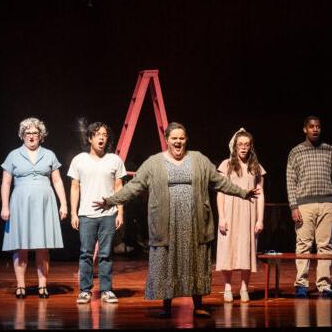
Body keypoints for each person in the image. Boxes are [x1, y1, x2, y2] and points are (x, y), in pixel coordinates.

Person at [93, 122, 259, 318]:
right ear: (167, 140)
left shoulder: (198, 159)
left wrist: (242, 193)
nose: (178, 142)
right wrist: (111, 201)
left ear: (186, 139)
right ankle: (166, 306)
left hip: (194, 221)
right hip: (166, 222)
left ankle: (197, 305)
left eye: (181, 138)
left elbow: (219, 181)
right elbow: (134, 187)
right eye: (174, 138)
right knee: (167, 262)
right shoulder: (154, 162)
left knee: (196, 260)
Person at [0, 117, 68, 299]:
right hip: (20, 204)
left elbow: (57, 180)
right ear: (22, 135)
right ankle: (21, 285)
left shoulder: (49, 155)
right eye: (27, 133)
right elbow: (6, 183)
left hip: (44, 204)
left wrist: (64, 203)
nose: (31, 136)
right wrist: (5, 206)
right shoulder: (13, 155)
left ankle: (42, 285)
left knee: (42, 246)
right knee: (20, 245)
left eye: (35, 133)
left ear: (41, 135)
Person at [286, 116, 332, 299]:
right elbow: (290, 181)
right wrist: (293, 206)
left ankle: (325, 284)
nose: (315, 129)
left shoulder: (330, 150)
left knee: (325, 245)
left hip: (327, 203)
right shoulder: (296, 152)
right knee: (303, 245)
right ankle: (301, 284)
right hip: (304, 204)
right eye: (311, 126)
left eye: (318, 126)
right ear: (305, 129)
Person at [68, 122, 125, 304]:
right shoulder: (79, 159)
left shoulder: (114, 160)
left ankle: (106, 290)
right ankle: (85, 290)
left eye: (104, 134)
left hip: (109, 214)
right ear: (90, 138)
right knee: (85, 253)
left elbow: (119, 187)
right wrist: (73, 213)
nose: (101, 137)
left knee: (106, 254)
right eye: (97, 134)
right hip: (86, 214)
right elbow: (74, 187)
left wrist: (120, 212)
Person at [215, 128, 265, 303]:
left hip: (248, 213)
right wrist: (221, 217)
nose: (243, 148)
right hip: (230, 211)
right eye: (240, 144)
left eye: (246, 144)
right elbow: (220, 192)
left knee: (246, 249)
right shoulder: (225, 165)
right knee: (227, 249)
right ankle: (227, 287)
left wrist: (260, 219)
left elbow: (261, 194)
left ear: (251, 147)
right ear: (234, 147)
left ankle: (244, 287)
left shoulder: (256, 167)